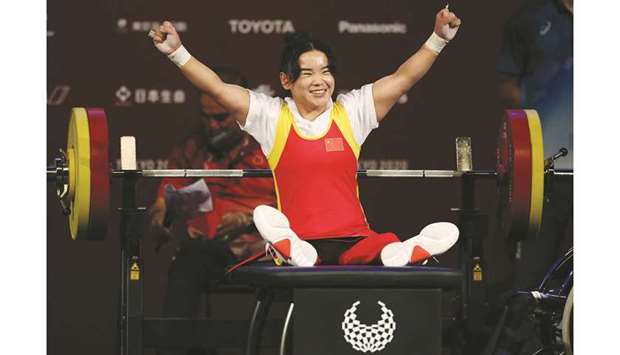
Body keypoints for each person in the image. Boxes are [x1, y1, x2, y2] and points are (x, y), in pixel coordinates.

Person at [150, 6, 462, 267]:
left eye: (326, 71)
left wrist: (438, 39)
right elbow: (216, 88)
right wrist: (177, 52)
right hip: (302, 236)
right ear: (286, 80)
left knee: (373, 248)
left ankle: (396, 252)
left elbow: (403, 78)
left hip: (352, 236)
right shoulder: (271, 116)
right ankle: (289, 244)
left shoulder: (352, 111)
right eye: (308, 73)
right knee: (301, 250)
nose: (321, 81)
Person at [147, 67, 276, 355]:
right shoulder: (191, 148)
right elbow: (166, 194)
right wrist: (161, 212)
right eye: (205, 118)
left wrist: (251, 219)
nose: (212, 127)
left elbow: (297, 203)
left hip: (265, 250)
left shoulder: (271, 144)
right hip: (210, 252)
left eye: (221, 118)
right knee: (187, 261)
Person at [497, 0, 573, 290]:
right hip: (546, 166)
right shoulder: (529, 19)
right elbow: (506, 83)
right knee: (535, 270)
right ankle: (526, 334)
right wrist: (548, 106)